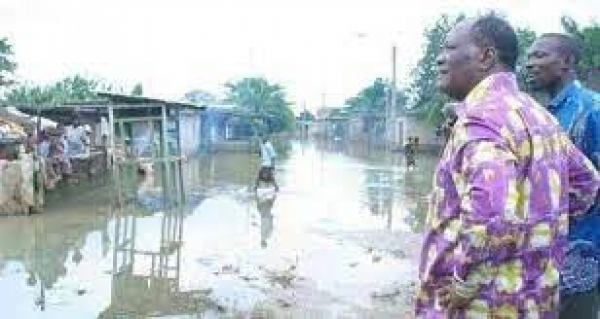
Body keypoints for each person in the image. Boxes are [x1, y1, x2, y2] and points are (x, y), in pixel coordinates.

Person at [416, 14, 600, 318]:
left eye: (449, 48)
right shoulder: (540, 115)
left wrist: (465, 281)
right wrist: (537, 226)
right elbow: (587, 183)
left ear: (486, 56)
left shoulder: (481, 118)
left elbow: (492, 213)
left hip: (483, 304)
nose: (439, 59)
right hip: (535, 299)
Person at [527, 33, 600, 318]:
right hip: (545, 250)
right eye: (530, 57)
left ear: (567, 61)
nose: (530, 64)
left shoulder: (591, 110)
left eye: (540, 56)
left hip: (584, 251)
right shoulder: (544, 114)